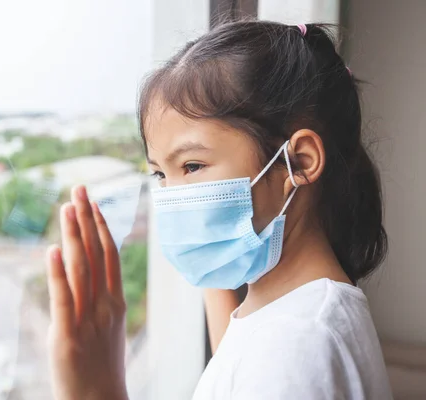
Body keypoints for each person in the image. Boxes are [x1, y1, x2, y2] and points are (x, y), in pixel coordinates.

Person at [44, 20, 393, 400]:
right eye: (160, 173)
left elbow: (267, 367)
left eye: (192, 166)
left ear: (300, 162)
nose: (173, 198)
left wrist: (99, 390)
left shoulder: (295, 345)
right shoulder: (296, 313)